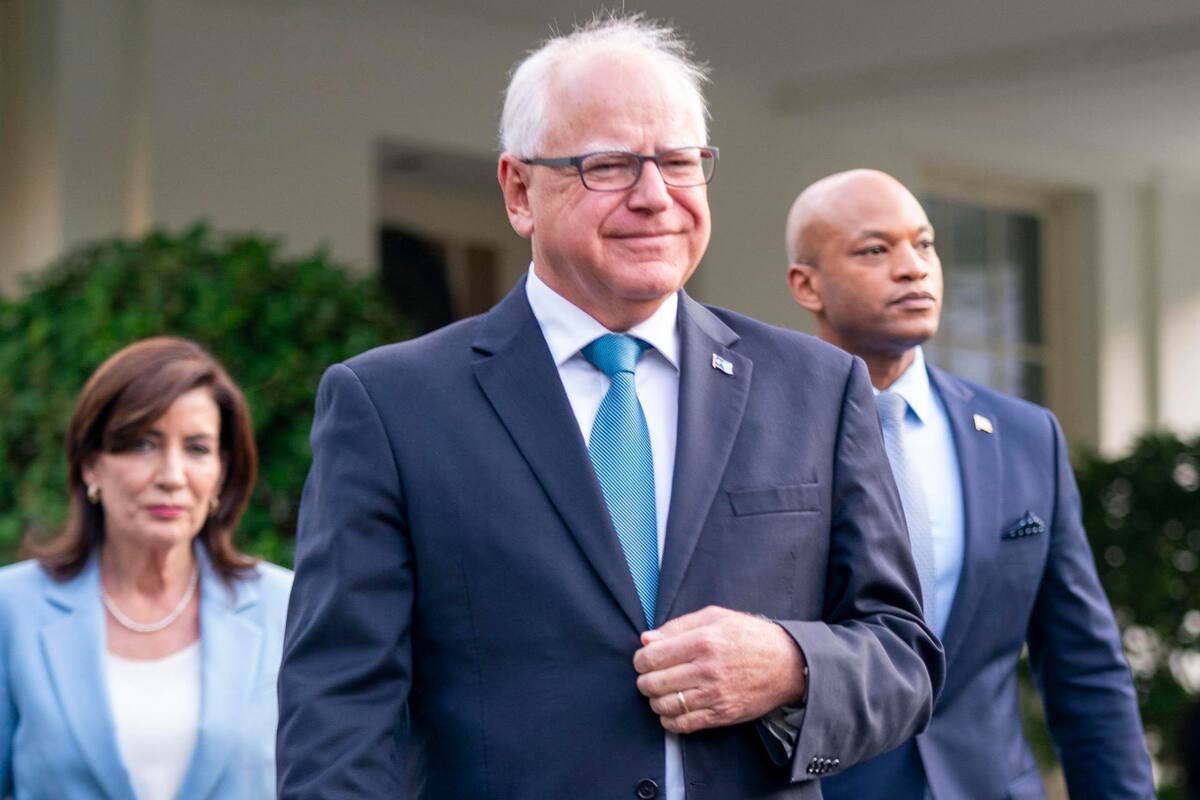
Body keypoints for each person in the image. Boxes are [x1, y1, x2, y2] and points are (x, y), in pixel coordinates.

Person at [277, 17, 942, 799]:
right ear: (519, 191)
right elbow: (340, 711)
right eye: (611, 165)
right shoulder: (391, 406)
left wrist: (789, 663)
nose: (655, 197)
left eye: (680, 163)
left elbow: (904, 658)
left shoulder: (818, 388)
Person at [785, 169, 1153, 798]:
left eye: (924, 244)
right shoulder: (765, 433)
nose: (912, 268)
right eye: (875, 250)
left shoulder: (1024, 435)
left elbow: (1084, 667)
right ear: (807, 284)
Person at [0, 337, 292, 800]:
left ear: (222, 471)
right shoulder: (11, 610)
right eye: (143, 445)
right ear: (91, 464)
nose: (172, 476)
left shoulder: (286, 607)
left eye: (197, 448)